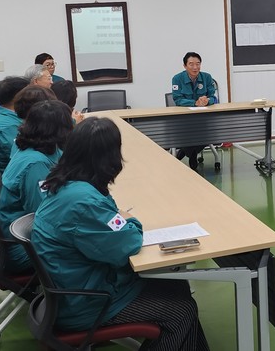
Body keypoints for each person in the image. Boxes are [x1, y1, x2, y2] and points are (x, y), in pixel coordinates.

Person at [32, 117, 210, 349]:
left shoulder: (65, 184)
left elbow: (112, 221)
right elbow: (128, 242)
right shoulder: (84, 202)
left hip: (72, 290)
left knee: (178, 287)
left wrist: (118, 218)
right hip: (88, 303)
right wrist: (131, 222)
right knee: (181, 312)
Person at [0, 100, 73, 272]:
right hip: (26, 246)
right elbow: (46, 214)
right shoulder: (34, 165)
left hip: (33, 234)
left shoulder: (45, 148)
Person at [171, 51, 216, 169]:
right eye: (191, 64)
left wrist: (207, 100)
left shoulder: (207, 77)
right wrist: (195, 103)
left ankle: (187, 152)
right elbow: (178, 100)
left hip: (203, 117)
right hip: (184, 118)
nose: (195, 67)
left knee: (209, 131)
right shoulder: (177, 79)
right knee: (188, 131)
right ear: (185, 66)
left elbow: (213, 97)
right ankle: (192, 154)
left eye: (198, 64)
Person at [0, 76, 30, 171]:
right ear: (18, 98)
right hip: (17, 173)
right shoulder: (6, 126)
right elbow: (23, 157)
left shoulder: (10, 118)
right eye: (29, 93)